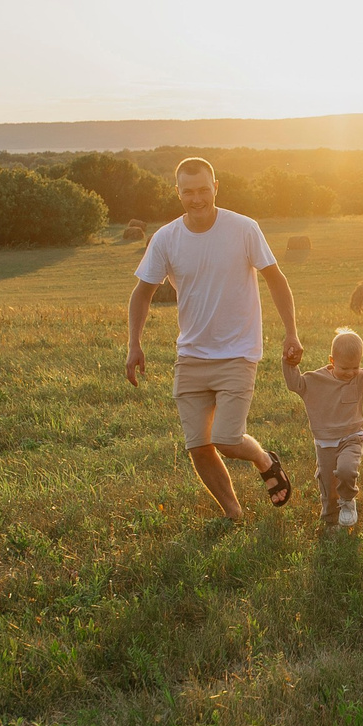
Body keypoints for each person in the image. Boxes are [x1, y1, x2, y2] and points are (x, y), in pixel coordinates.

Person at [126, 158, 303, 521]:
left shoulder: (244, 228)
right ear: (178, 192)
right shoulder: (166, 238)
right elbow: (142, 293)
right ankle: (233, 514)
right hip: (191, 354)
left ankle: (264, 460)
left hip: (238, 351)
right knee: (198, 445)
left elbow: (276, 279)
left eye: (204, 190)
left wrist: (291, 332)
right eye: (188, 191)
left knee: (226, 439)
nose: (197, 199)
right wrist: (134, 344)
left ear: (216, 187)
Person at [282, 327, 363, 527]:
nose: (350, 373)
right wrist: (289, 362)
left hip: (352, 437)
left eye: (355, 367)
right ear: (332, 360)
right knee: (328, 486)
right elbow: (295, 383)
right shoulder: (316, 380)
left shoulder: (360, 377)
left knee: (346, 470)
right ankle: (331, 522)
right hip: (325, 442)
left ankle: (347, 500)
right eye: (345, 368)